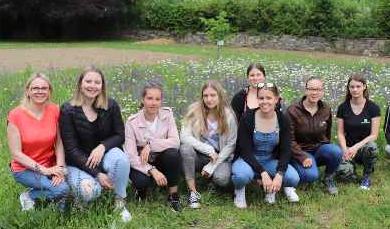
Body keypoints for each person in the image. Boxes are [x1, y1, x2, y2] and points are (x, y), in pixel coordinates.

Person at [59, 66, 132, 222]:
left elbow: (120, 135)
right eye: (88, 81)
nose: (92, 85)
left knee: (122, 160)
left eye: (97, 82)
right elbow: (71, 150)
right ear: (80, 84)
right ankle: (80, 193)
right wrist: (97, 174)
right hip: (77, 162)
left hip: (105, 155)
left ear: (102, 86)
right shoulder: (68, 110)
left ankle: (119, 201)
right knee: (89, 192)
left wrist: (102, 147)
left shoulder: (110, 105)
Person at [232, 83, 300, 208]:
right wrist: (263, 173)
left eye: (269, 98)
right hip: (248, 159)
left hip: (269, 159)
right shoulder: (248, 117)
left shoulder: (283, 119)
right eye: (261, 98)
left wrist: (279, 174)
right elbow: (245, 150)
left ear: (277, 99)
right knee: (241, 176)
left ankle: (271, 189)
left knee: (293, 178)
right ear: (257, 99)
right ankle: (239, 190)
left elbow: (286, 150)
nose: (264, 102)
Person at [7, 73, 69, 211]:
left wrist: (58, 168)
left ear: (49, 92)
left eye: (44, 88)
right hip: (25, 168)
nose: (39, 91)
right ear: (27, 91)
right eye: (35, 88)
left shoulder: (55, 110)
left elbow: (59, 142)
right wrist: (46, 171)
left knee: (72, 185)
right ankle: (30, 196)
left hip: (51, 164)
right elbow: (16, 154)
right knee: (62, 189)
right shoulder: (15, 115)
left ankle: (60, 214)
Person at [124, 82, 183, 212]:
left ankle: (173, 196)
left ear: (161, 101)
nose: (153, 103)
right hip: (141, 163)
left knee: (173, 154)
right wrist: (152, 170)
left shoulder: (167, 115)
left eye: (157, 99)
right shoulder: (132, 122)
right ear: (142, 99)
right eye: (149, 98)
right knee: (141, 181)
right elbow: (131, 156)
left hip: (161, 159)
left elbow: (175, 142)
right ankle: (141, 191)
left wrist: (150, 145)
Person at [180, 80, 238, 209]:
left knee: (222, 179)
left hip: (220, 157)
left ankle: (213, 181)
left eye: (213, 95)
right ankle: (193, 192)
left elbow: (231, 144)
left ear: (219, 96)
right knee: (185, 149)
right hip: (199, 154)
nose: (209, 99)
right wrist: (207, 149)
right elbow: (184, 137)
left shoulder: (229, 115)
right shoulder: (194, 110)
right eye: (205, 96)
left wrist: (212, 165)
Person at [287, 77, 343, 195]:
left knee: (336, 151)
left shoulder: (326, 109)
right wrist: (302, 157)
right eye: (311, 89)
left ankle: (328, 178)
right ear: (305, 90)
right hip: (300, 151)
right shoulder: (292, 111)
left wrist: (327, 148)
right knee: (311, 175)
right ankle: (298, 169)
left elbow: (327, 133)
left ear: (323, 91)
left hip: (318, 148)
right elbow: (288, 140)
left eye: (318, 89)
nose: (314, 93)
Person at [336, 74, 381, 190]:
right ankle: (351, 169)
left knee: (372, 146)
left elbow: (374, 135)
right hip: (347, 149)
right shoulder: (342, 108)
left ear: (364, 87)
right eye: (352, 87)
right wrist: (345, 149)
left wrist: (356, 147)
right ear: (348, 88)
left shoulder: (373, 108)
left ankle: (366, 174)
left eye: (358, 86)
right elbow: (340, 133)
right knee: (344, 174)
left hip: (363, 148)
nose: (355, 89)